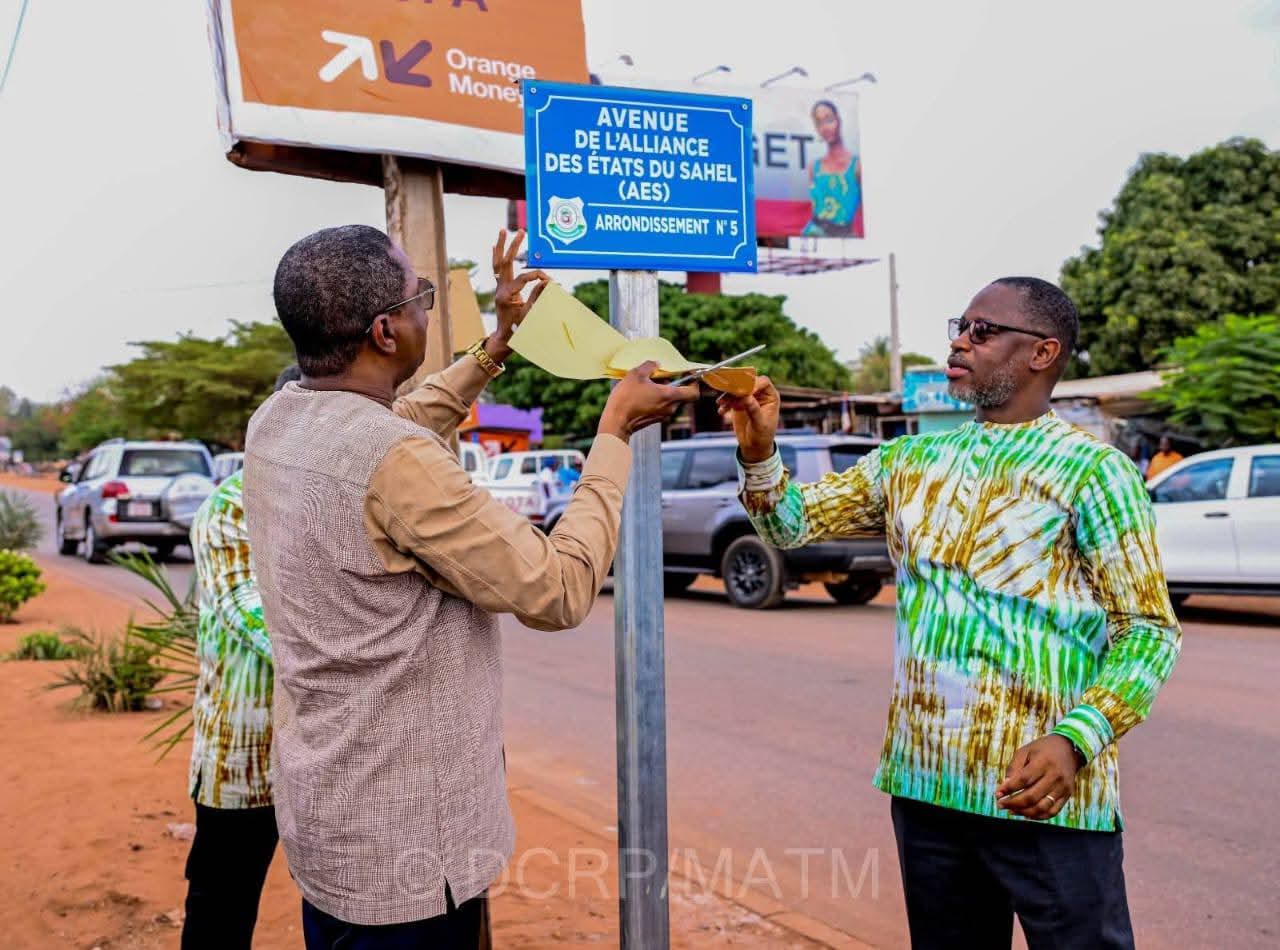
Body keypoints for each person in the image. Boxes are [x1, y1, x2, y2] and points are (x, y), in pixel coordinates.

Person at [243, 226, 697, 949]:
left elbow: (395, 425)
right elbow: (557, 587)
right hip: (412, 857)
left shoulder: (278, 422)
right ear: (386, 332)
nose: (428, 309)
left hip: (332, 828)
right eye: (420, 297)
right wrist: (615, 433)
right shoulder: (396, 463)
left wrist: (496, 347)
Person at [719, 277, 1181, 949]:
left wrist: (1077, 738)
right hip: (927, 787)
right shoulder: (912, 459)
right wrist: (759, 450)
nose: (960, 343)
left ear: (1043, 352)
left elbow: (1147, 632)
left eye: (984, 331)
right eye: (959, 327)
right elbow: (792, 525)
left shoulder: (1095, 472)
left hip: (1046, 794)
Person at [181, 363, 299, 950]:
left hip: (321, 759)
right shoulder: (229, 506)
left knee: (341, 909)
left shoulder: (333, 496)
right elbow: (256, 619)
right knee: (221, 916)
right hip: (244, 759)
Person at [802, 99, 861, 237]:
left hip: (846, 238)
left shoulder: (856, 165)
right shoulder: (814, 167)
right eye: (819, 123)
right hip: (813, 236)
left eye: (829, 120)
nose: (825, 128)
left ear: (838, 121)